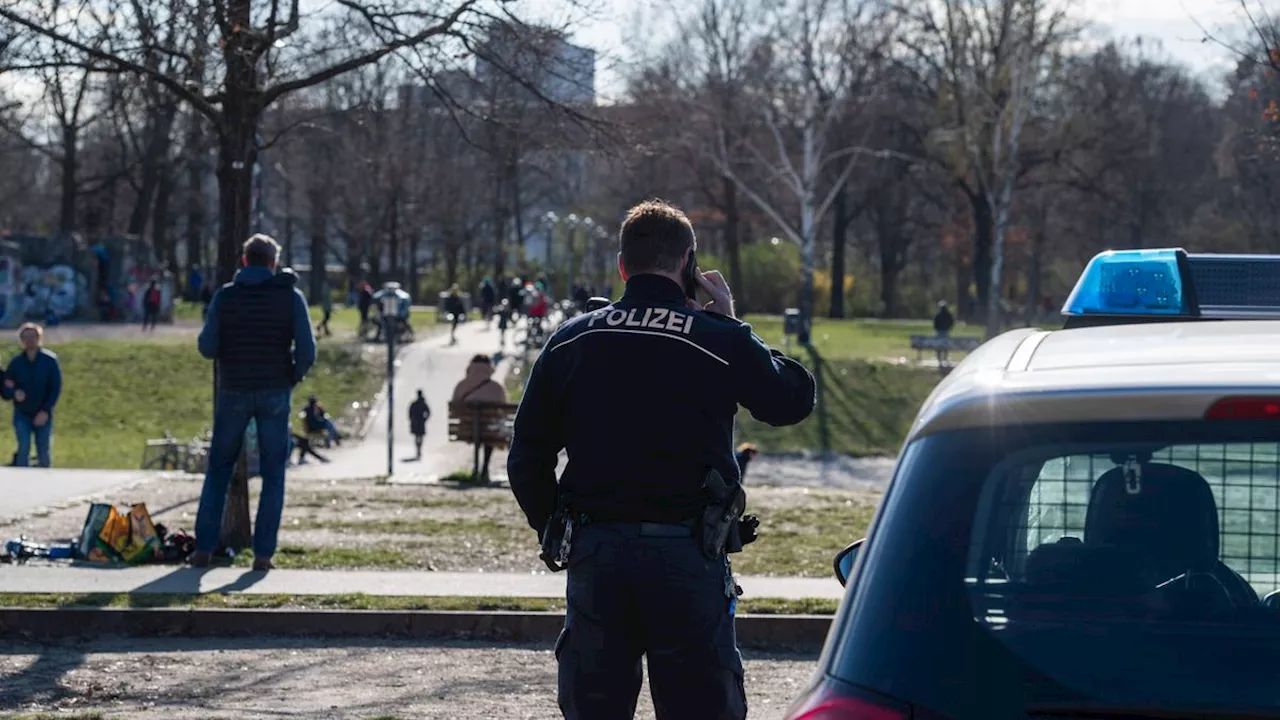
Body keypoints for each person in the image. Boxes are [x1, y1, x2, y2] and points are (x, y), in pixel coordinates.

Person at [507, 199, 816, 719]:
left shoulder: (573, 340)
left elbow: (527, 457)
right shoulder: (719, 341)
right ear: (688, 264)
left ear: (623, 265)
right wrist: (733, 323)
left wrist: (557, 528)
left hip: (597, 551)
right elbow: (792, 399)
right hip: (688, 556)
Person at [190, 234, 316, 572]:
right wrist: (291, 376)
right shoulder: (290, 297)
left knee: (218, 468)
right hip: (275, 390)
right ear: (274, 262)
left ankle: (203, 548)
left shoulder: (226, 297)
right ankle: (263, 555)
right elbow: (307, 351)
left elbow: (207, 347)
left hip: (233, 390)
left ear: (244, 261)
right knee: (274, 472)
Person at [2, 323, 63, 468]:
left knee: (43, 451)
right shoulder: (16, 363)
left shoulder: (49, 361)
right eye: (25, 337)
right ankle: (23, 485)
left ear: (39, 338)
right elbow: (6, 386)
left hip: (43, 412)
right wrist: (14, 393)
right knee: (23, 448)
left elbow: (55, 388)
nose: (29, 340)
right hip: (22, 413)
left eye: (33, 337)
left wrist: (45, 411)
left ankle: (45, 485)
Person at [452, 354, 508, 482]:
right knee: (490, 430)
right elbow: (502, 410)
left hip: (466, 428)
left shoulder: (461, 385)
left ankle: (476, 469)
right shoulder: (496, 387)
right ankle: (484, 468)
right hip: (489, 430)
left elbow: (455, 406)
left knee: (479, 429)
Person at [409, 389, 430, 460]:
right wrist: (425, 419)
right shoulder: (423, 404)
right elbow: (428, 412)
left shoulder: (415, 404)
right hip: (420, 422)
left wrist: (412, 419)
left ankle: (418, 450)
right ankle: (419, 450)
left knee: (417, 437)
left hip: (417, 422)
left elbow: (410, 413)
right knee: (419, 437)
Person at [932, 300, 955, 365]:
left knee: (938, 344)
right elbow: (952, 323)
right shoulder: (949, 315)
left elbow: (935, 325)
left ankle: (939, 357)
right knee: (946, 344)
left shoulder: (938, 315)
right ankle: (945, 357)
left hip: (939, 332)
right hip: (946, 331)